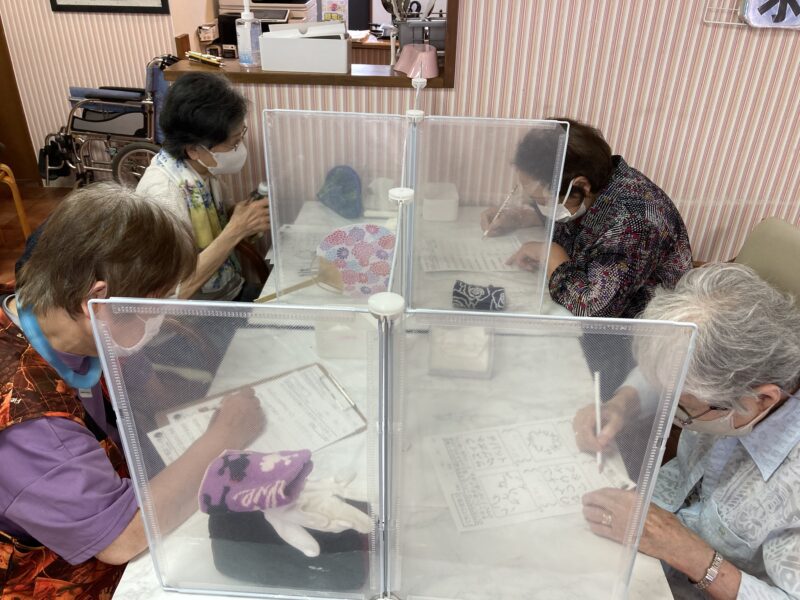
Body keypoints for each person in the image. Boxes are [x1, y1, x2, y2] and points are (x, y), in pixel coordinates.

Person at [0, 183, 266, 598]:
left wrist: (204, 410)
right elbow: (121, 539)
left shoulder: (67, 320)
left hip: (116, 478)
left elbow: (151, 392)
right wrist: (224, 438)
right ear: (98, 300)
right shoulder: (29, 421)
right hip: (57, 573)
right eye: (154, 302)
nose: (160, 315)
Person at [573, 263, 800, 599]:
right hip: (650, 527)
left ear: (762, 399)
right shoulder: (729, 379)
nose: (673, 413)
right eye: (667, 398)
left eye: (681, 408)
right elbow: (676, 377)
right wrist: (622, 404)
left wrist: (688, 554)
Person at [482, 117, 692, 319]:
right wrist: (519, 217)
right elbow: (572, 215)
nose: (541, 206)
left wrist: (550, 254)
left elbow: (593, 309)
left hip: (640, 327)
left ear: (582, 185)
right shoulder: (598, 184)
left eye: (541, 200)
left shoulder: (634, 223)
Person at [137, 72, 269, 302]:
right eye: (234, 143)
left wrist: (244, 216)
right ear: (194, 149)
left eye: (241, 137)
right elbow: (172, 296)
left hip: (228, 289)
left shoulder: (202, 170)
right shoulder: (162, 195)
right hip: (193, 314)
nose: (239, 149)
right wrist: (236, 229)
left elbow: (221, 221)